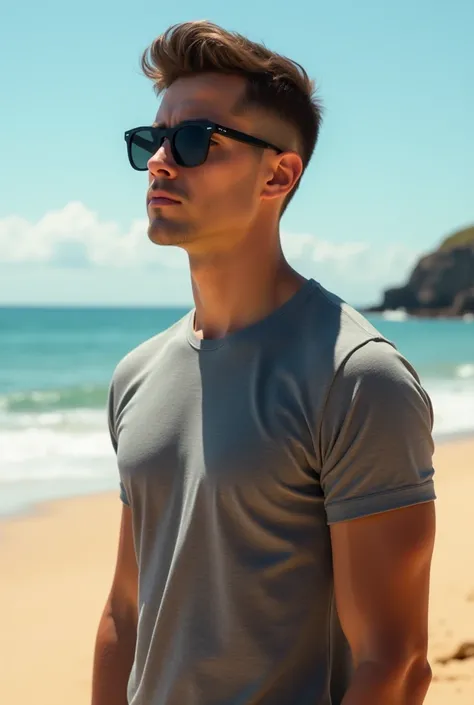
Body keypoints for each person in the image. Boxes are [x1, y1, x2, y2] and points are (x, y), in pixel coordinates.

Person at [91, 20, 436, 705]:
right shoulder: (136, 375)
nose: (162, 160)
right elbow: (125, 614)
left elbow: (395, 663)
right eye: (151, 140)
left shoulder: (357, 377)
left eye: (194, 141)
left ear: (278, 173)